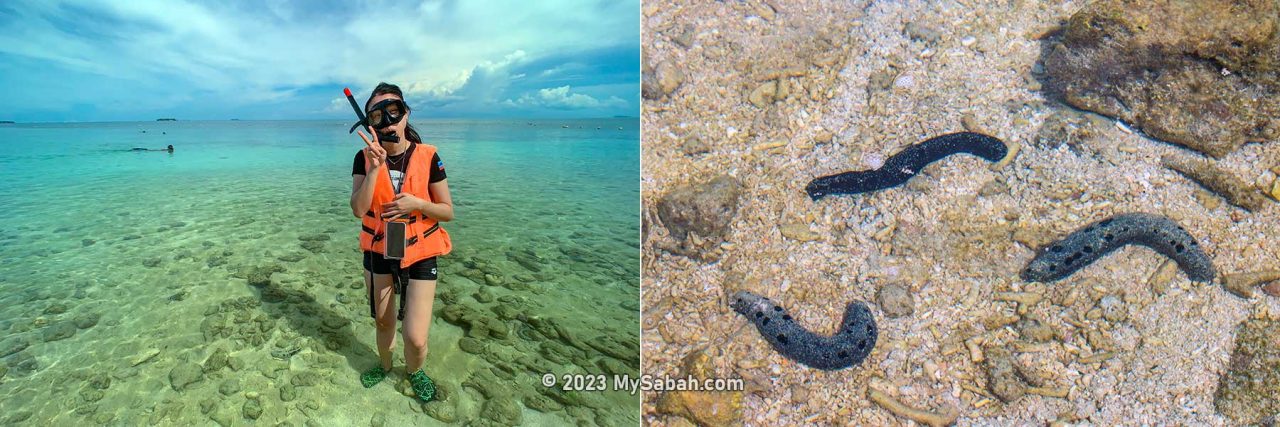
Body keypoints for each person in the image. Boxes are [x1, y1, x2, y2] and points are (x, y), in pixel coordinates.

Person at [349, 82, 453, 402]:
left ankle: (414, 370)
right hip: (379, 248)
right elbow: (358, 209)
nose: (388, 121)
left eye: (394, 112)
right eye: (378, 116)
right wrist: (375, 168)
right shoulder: (363, 158)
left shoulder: (428, 156)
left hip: (419, 250)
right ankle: (384, 364)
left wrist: (418, 205)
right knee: (383, 321)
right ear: (371, 124)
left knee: (416, 338)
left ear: (406, 113)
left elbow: (447, 211)